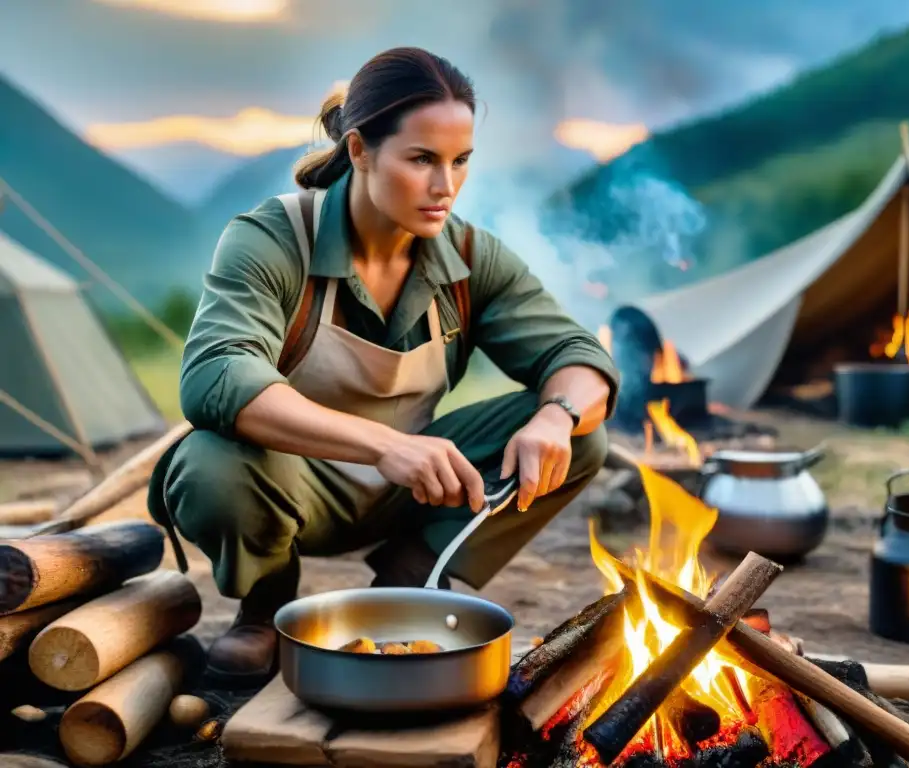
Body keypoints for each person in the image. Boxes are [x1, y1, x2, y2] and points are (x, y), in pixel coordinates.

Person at [147, 46, 619, 687]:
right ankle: (264, 610)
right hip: (289, 486)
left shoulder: (472, 258)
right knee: (209, 466)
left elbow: (577, 355)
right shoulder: (273, 239)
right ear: (360, 149)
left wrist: (558, 417)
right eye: (422, 159)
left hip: (413, 490)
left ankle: (412, 575)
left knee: (585, 434)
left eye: (459, 162)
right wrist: (385, 445)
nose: (444, 187)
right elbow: (215, 375)